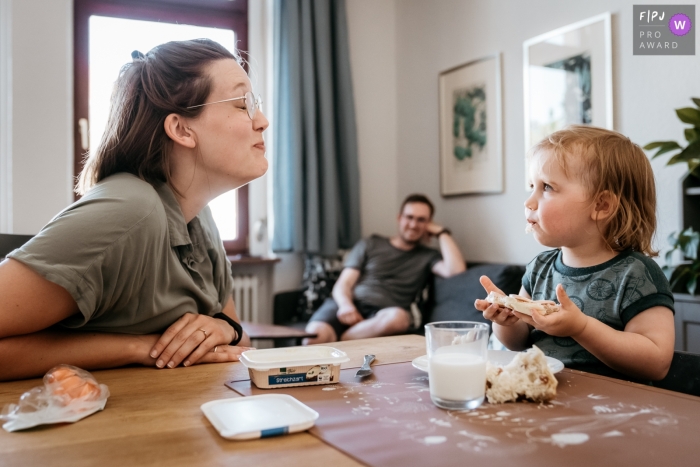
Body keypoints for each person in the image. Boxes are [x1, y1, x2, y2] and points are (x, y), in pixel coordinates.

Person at [0, 39, 269, 381]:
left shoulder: (200, 217)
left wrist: (223, 330)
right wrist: (139, 347)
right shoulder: (130, 211)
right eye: (242, 102)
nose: (262, 120)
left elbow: (239, 341)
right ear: (181, 129)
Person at [475, 125, 675, 381]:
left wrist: (580, 327)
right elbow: (518, 342)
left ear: (601, 205)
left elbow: (655, 363)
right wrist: (507, 321)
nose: (529, 201)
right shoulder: (540, 268)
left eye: (547, 187)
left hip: (612, 409)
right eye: (532, 186)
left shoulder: (637, 275)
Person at [305, 194, 466, 344]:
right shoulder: (371, 243)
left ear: (429, 224)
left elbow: (456, 270)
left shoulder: (428, 256)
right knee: (314, 336)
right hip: (347, 304)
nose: (413, 225)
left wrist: (442, 232)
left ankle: (341, 343)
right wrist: (346, 305)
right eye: (409, 217)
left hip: (383, 315)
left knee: (399, 318)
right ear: (399, 218)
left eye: (421, 220)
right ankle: (345, 342)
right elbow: (344, 283)